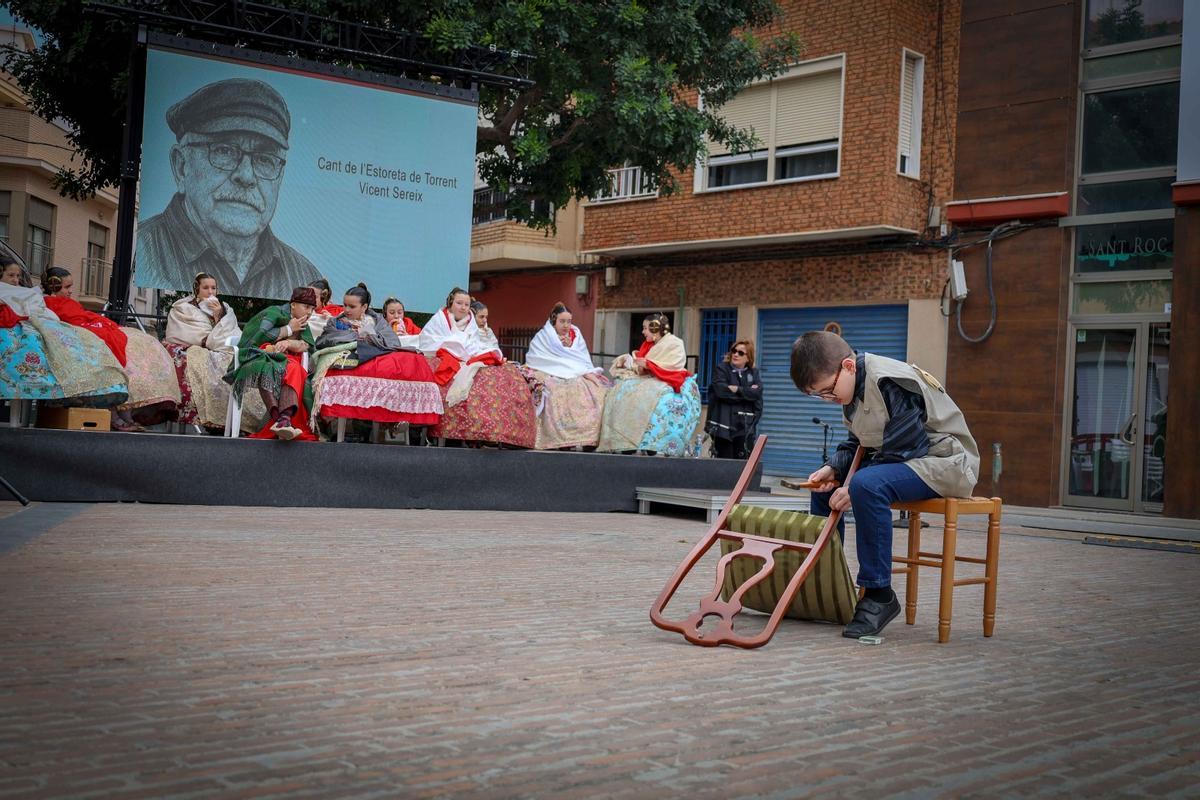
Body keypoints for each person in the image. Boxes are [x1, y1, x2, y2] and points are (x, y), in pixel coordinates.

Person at [791, 330, 980, 640]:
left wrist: (852, 487)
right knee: (825, 493)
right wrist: (832, 469)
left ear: (848, 366)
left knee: (866, 485)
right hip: (911, 460)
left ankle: (879, 595)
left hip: (948, 462)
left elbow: (905, 447)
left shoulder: (889, 380)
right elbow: (861, 441)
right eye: (819, 395)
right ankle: (827, 587)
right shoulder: (850, 386)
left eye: (827, 391)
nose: (828, 400)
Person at [135, 78, 321, 298]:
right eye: (224, 150)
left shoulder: (303, 274)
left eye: (265, 159)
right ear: (181, 166)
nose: (246, 175)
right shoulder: (142, 252)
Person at [41, 267, 179, 430]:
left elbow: (78, 315)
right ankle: (117, 415)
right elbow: (68, 320)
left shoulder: (63, 302)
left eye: (71, 286)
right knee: (122, 348)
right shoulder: (47, 303)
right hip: (76, 337)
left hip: (83, 330)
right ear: (53, 286)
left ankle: (124, 413)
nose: (71, 291)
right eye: (66, 287)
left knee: (138, 341)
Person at [310, 283, 442, 435]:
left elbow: (393, 342)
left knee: (413, 359)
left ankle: (397, 419)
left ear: (364, 306)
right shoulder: (336, 321)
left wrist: (371, 337)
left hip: (377, 355)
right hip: (355, 357)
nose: (346, 310)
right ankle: (388, 424)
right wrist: (356, 336)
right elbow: (324, 340)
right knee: (383, 368)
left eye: (352, 307)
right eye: (345, 305)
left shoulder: (377, 320)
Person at [0, 258, 127, 408]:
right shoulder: (41, 299)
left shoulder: (29, 294)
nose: (16, 280)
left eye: (18, 276)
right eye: (11, 275)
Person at [419, 287, 536, 447]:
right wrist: (452, 344)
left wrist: (473, 352)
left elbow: (474, 345)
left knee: (499, 376)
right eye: (459, 303)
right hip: (443, 356)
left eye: (466, 304)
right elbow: (427, 340)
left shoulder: (470, 322)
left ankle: (493, 432)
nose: (463, 307)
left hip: (466, 357)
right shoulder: (440, 319)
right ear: (450, 303)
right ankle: (455, 431)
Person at [163, 272, 265, 432]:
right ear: (196, 289)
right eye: (205, 288)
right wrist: (209, 341)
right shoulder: (183, 308)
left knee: (239, 363)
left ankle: (242, 418)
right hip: (194, 349)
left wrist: (219, 316)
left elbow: (233, 335)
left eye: (213, 288)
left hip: (221, 350)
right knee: (212, 364)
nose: (210, 292)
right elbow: (182, 333)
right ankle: (217, 420)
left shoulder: (225, 308)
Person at [597, 312, 702, 456]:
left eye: (645, 328)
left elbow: (673, 364)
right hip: (649, 378)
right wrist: (631, 362)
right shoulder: (648, 345)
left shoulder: (675, 343)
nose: (643, 331)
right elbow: (640, 363)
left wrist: (649, 364)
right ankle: (625, 440)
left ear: (655, 328)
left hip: (667, 377)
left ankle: (652, 442)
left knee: (652, 396)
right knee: (620, 390)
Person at [225, 285, 321, 440]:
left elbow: (306, 345)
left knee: (294, 369)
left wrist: (289, 344)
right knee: (273, 366)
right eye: (306, 307)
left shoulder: (303, 323)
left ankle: (283, 419)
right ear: (293, 304)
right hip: (258, 355)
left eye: (312, 308)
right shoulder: (273, 313)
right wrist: (288, 329)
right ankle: (281, 419)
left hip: (286, 362)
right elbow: (258, 337)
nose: (309, 312)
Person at [524, 302, 611, 449]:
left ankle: (588, 439)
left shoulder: (576, 336)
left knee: (594, 389)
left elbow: (581, 358)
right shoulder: (543, 337)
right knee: (555, 390)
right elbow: (537, 358)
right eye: (562, 321)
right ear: (553, 321)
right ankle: (558, 439)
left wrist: (570, 348)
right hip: (550, 371)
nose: (566, 325)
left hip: (576, 371)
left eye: (569, 321)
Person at [706, 339, 762, 459]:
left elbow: (757, 394)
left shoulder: (754, 373)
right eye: (734, 351)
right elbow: (721, 391)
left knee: (742, 467)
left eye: (741, 353)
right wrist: (747, 393)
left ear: (748, 358)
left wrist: (737, 389)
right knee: (724, 467)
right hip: (723, 428)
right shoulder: (721, 369)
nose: (736, 354)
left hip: (745, 428)